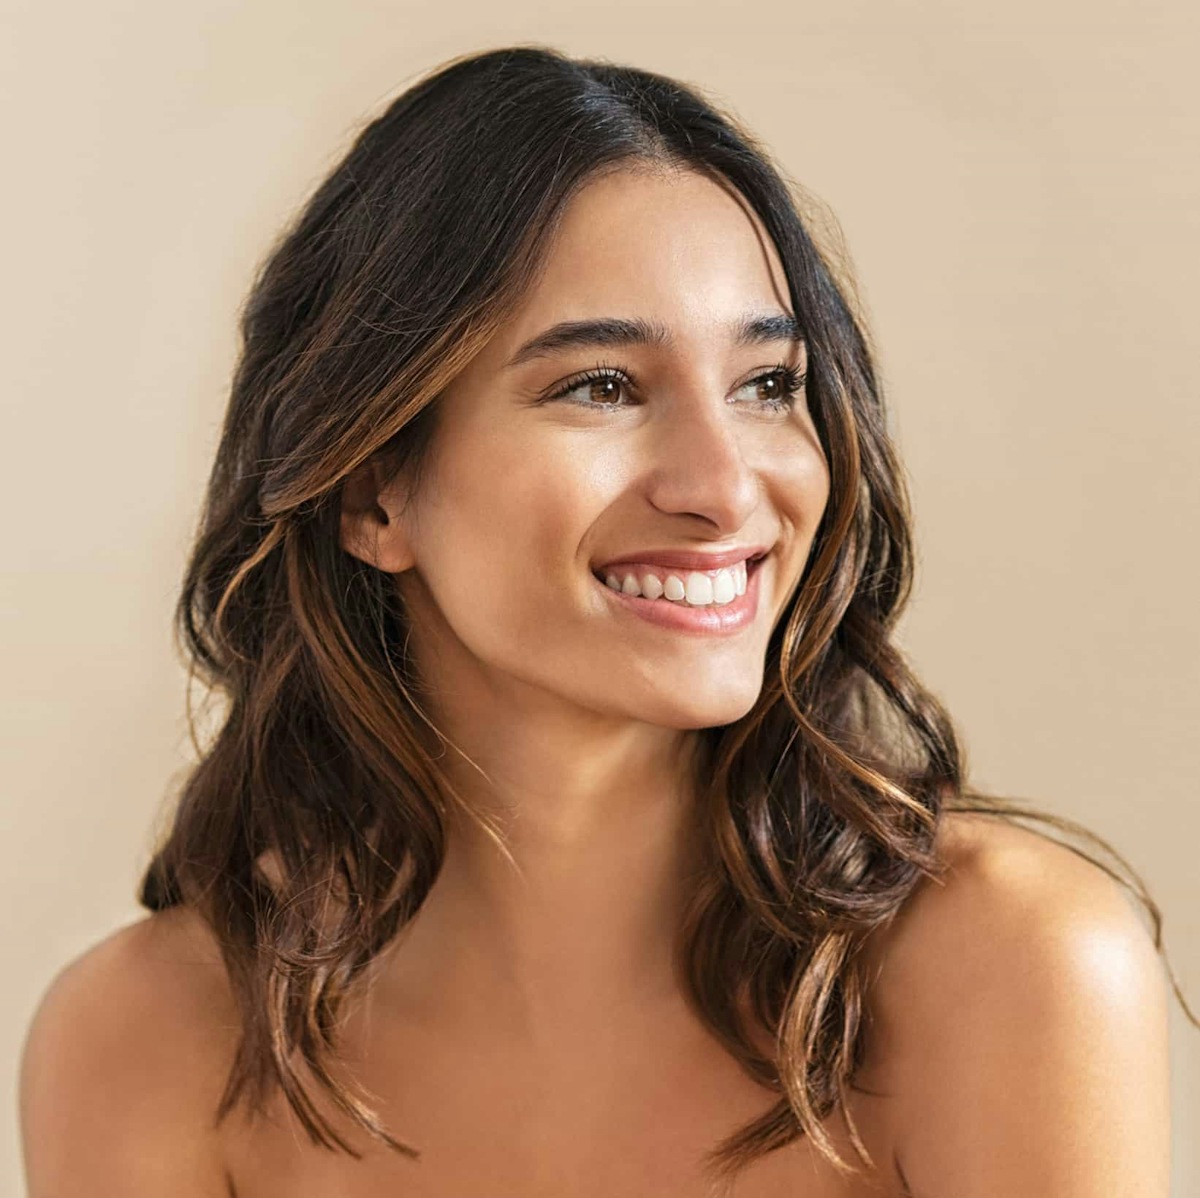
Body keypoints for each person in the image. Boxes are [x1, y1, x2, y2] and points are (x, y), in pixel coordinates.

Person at [18, 44, 1190, 1198]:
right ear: (375, 489)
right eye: (602, 387)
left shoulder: (1012, 971)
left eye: (768, 386)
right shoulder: (147, 1048)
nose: (726, 489)